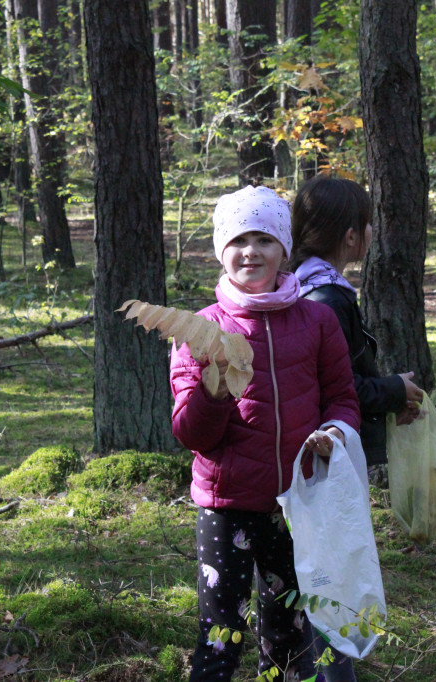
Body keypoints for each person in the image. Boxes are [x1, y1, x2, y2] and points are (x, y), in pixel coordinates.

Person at [170, 184, 361, 682]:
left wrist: (336, 432)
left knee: (288, 628)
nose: (250, 250)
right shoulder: (200, 330)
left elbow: (342, 394)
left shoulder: (317, 321)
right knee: (220, 631)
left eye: (263, 239)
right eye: (237, 240)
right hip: (226, 506)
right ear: (221, 251)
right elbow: (191, 434)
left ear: (284, 249)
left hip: (294, 505)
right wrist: (213, 391)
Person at [290, 175, 426, 682]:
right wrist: (391, 391)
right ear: (352, 236)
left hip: (317, 453)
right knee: (331, 573)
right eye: (368, 226)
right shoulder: (326, 296)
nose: (370, 234)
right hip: (325, 460)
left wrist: (392, 396)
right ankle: (330, 673)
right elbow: (337, 387)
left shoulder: (303, 284)